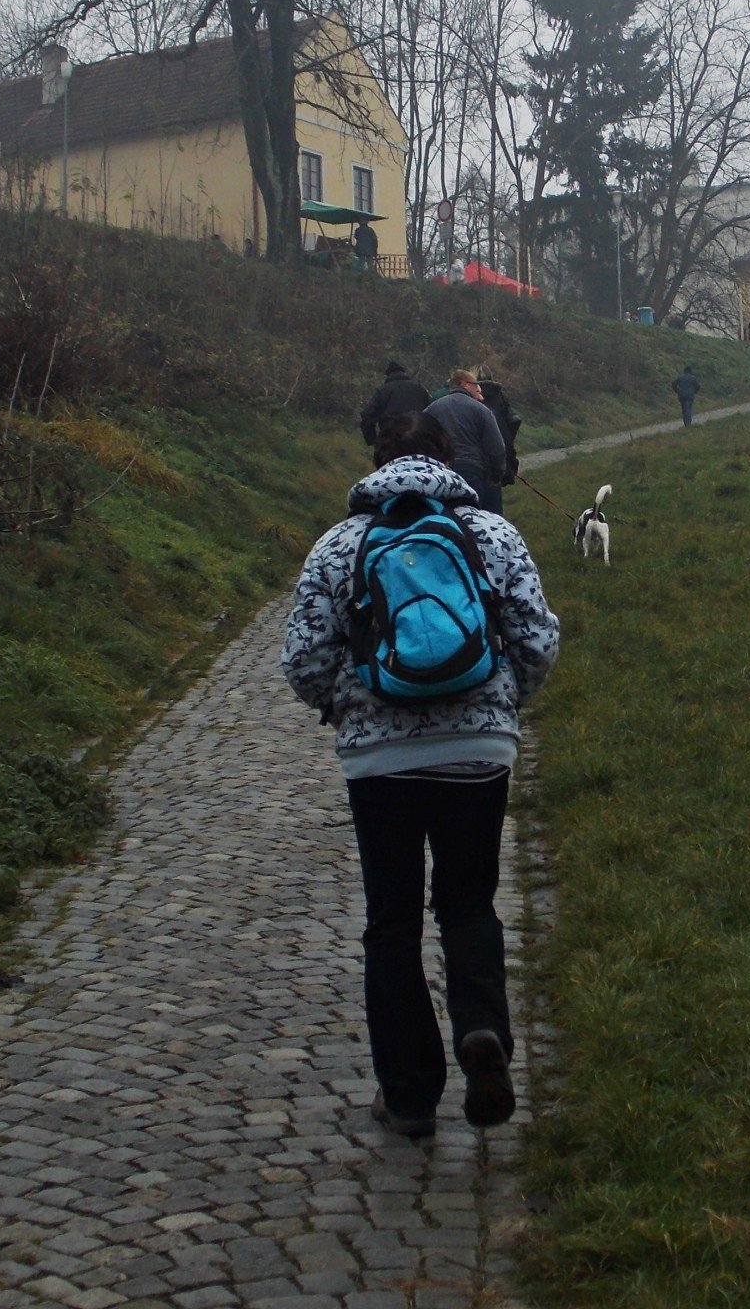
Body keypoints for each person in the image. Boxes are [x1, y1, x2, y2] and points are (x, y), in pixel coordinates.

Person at [281, 411, 560, 1138]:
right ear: (449, 462)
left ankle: (407, 1097)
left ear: (375, 462)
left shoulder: (341, 544)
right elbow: (535, 637)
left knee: (391, 922)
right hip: (478, 752)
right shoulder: (493, 535)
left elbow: (303, 659)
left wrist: (346, 709)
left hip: (381, 763)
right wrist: (503, 703)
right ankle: (483, 1029)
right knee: (469, 904)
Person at [425, 369, 508, 514]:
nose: (478, 388)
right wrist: (497, 474)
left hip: (440, 471)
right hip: (471, 469)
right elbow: (496, 447)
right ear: (464, 384)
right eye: (475, 384)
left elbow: (421, 439)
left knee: (445, 514)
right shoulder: (481, 409)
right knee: (471, 515)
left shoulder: (431, 409)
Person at [360, 362, 430, 447]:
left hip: (391, 439)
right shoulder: (420, 389)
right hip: (417, 438)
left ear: (387, 376)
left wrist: (372, 439)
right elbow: (431, 412)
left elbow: (367, 415)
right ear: (404, 373)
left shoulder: (383, 391)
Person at [476, 373, 522, 491]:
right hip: (494, 463)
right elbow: (513, 422)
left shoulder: (469, 400)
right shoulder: (499, 397)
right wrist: (511, 462)